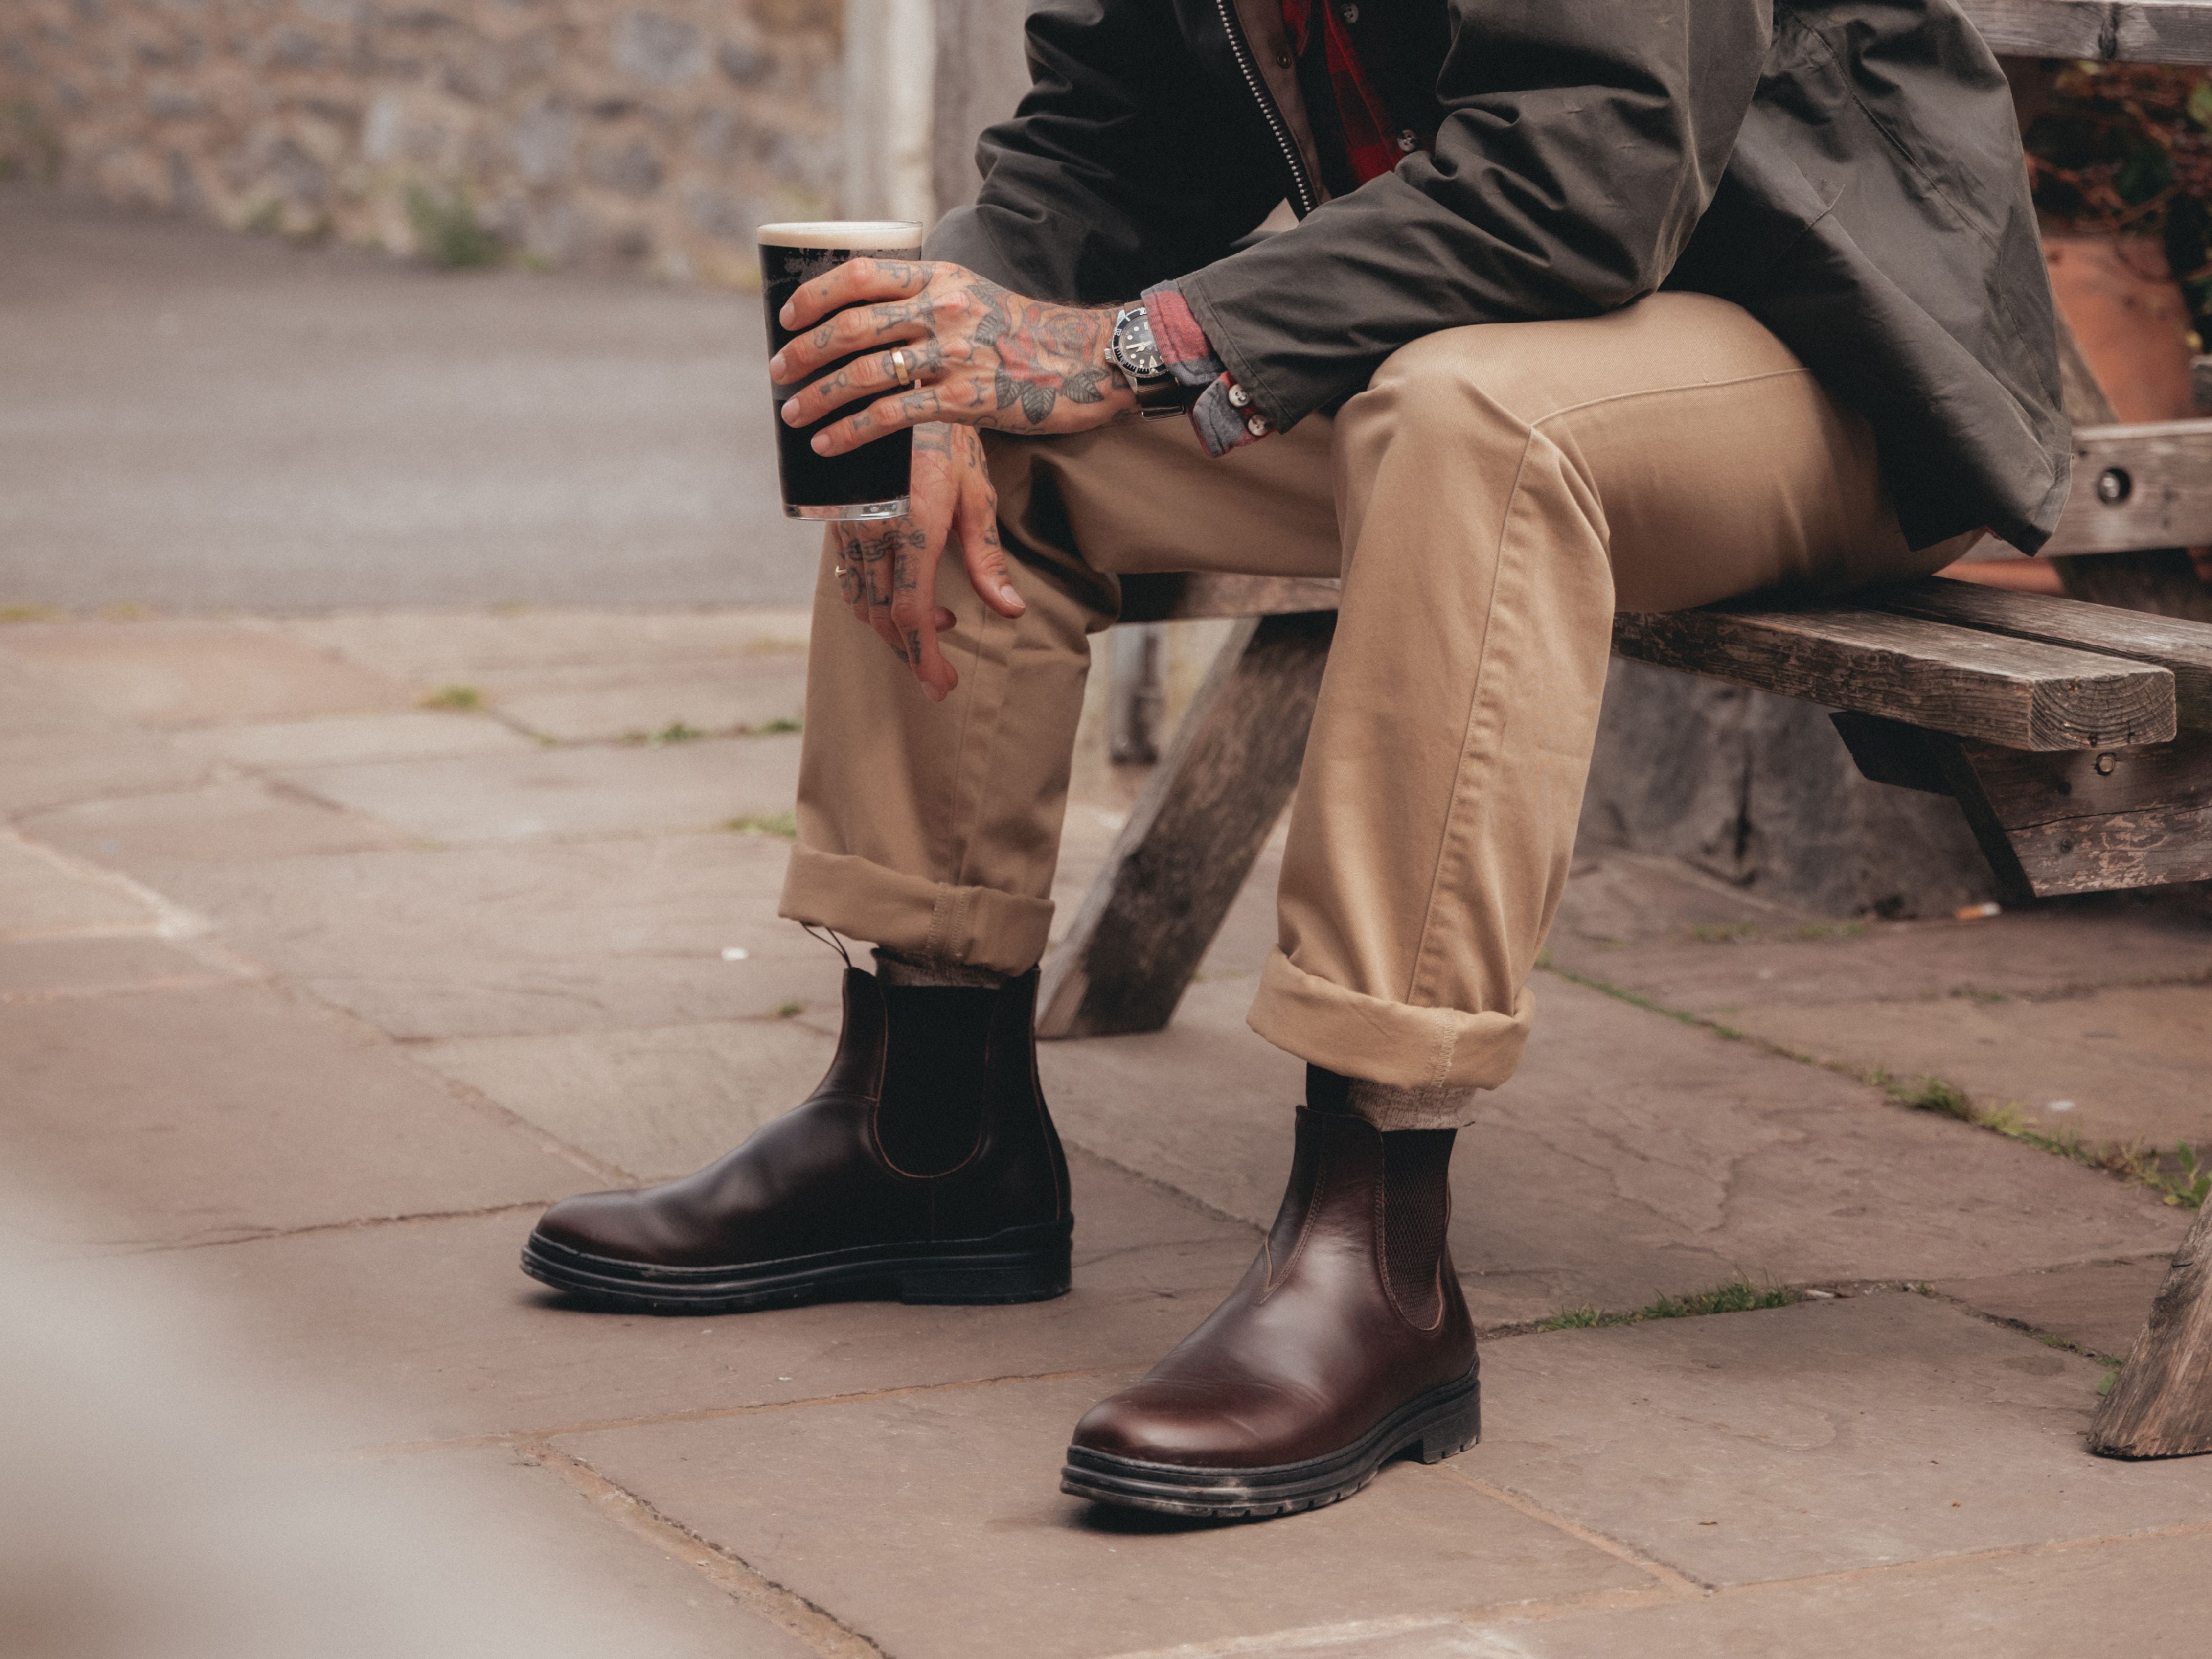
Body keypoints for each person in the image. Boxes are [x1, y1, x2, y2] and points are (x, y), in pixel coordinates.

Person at [521, 0, 2065, 1520]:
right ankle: (928, 1122)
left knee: (1476, 425)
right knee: (955, 409)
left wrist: (1128, 344)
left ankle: (1374, 1245)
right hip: (1473, 337)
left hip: (1829, 357)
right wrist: (949, 330)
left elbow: (1588, 169)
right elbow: (1101, 144)